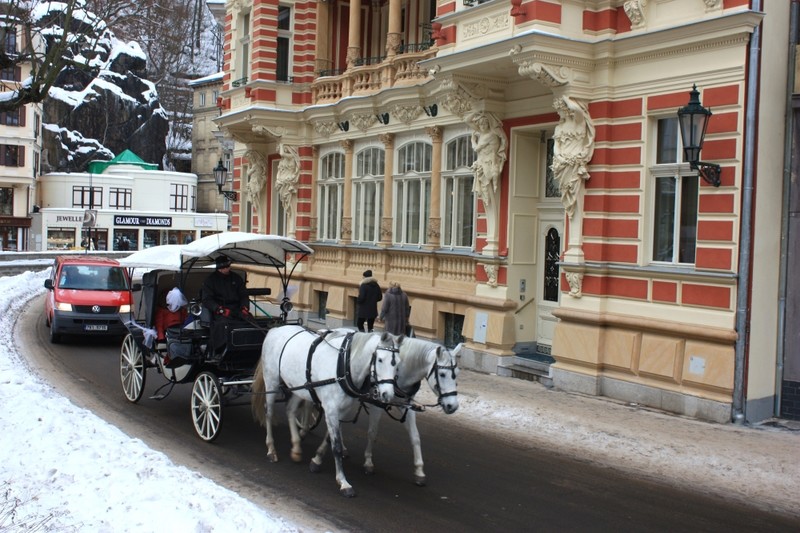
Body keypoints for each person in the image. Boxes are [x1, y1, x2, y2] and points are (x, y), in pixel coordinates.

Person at [202, 255, 250, 355]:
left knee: (250, 321)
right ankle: (221, 350)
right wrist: (219, 309)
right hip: (221, 312)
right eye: (225, 267)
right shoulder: (210, 281)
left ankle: (249, 347)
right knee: (224, 325)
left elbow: (244, 295)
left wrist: (244, 307)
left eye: (228, 266)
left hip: (237, 310)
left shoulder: (236, 278)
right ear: (220, 268)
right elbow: (207, 299)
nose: (228, 269)